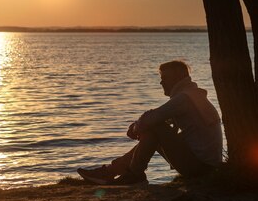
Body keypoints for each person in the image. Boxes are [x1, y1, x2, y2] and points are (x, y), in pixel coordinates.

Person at [77, 60, 223, 185]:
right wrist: (141, 127)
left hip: (200, 168)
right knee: (154, 129)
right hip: (206, 165)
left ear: (178, 78)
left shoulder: (184, 99)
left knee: (155, 127)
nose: (161, 82)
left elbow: (153, 118)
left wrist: (135, 128)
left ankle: (130, 174)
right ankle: (114, 171)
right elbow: (157, 118)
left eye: (165, 77)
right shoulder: (192, 96)